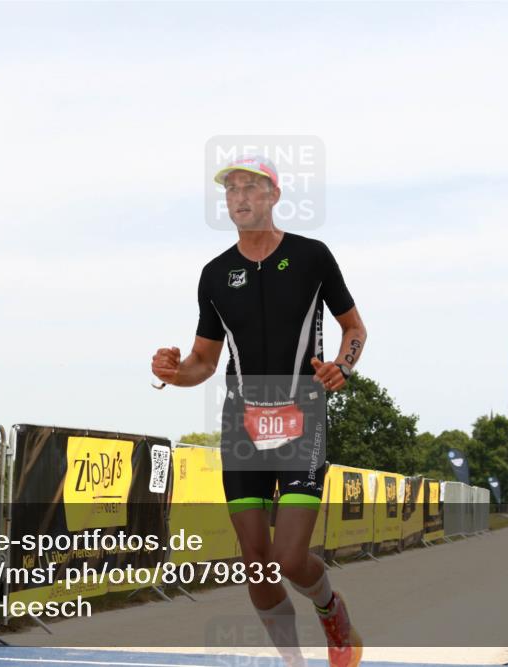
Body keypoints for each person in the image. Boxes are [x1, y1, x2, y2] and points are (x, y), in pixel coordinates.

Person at [151, 154, 367, 667]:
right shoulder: (214, 274)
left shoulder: (312, 257)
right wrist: (173, 372)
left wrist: (343, 366)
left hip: (303, 416)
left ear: (273, 196)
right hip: (241, 424)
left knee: (289, 558)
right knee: (258, 565)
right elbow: (204, 361)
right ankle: (293, 663)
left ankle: (332, 611)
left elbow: (354, 328)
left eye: (250, 188)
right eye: (231, 190)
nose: (240, 197)